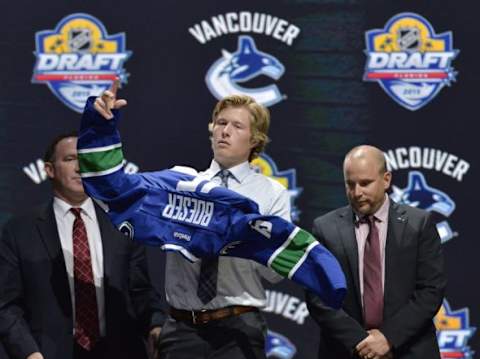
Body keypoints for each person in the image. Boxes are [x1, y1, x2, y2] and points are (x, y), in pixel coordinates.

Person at [79, 83, 291, 359]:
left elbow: (274, 274)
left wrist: (252, 236)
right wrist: (102, 128)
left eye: (237, 126)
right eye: (220, 122)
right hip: (181, 330)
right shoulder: (180, 181)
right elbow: (118, 191)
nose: (225, 131)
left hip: (238, 329)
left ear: (255, 139)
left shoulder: (271, 193)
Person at [0, 132, 163, 359]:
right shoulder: (19, 231)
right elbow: (6, 305)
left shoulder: (122, 223)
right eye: (70, 159)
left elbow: (141, 291)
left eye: (86, 160)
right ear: (49, 169)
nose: (80, 168)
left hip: (120, 351)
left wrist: (155, 326)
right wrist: (28, 352)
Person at [306, 145, 446, 359]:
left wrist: (388, 338)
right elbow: (318, 295)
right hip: (346, 351)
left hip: (409, 349)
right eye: (350, 184)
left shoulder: (419, 224)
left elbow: (431, 290)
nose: (357, 193)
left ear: (386, 179)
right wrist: (361, 343)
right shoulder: (325, 228)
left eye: (365, 183)